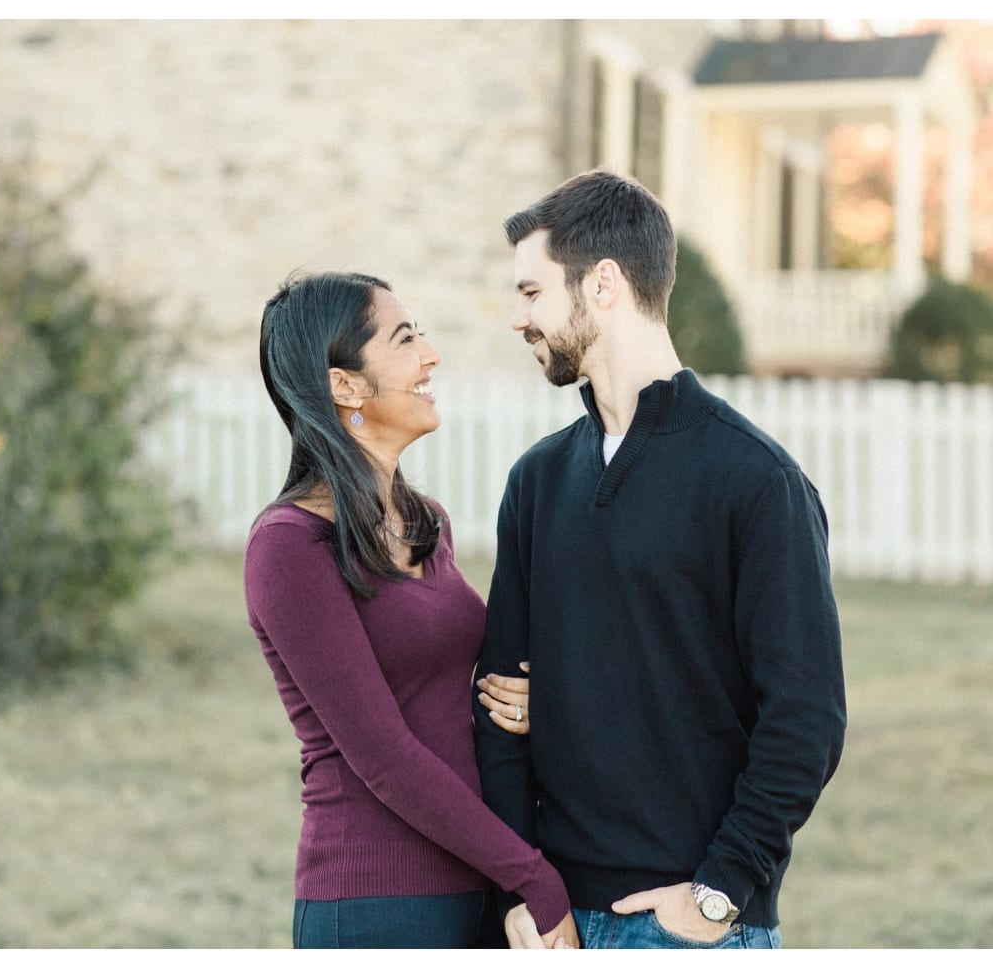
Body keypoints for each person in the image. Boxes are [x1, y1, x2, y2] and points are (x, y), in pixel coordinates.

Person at [473, 170, 847, 950]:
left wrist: (720, 892)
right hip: (554, 925)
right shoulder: (537, 480)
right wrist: (521, 889)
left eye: (533, 292)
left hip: (690, 927)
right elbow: (499, 703)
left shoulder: (754, 479)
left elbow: (806, 717)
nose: (518, 318)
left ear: (603, 284)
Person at [244, 271, 580, 949]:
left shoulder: (427, 522)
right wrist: (537, 879)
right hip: (377, 902)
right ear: (346, 386)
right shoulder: (289, 545)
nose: (431, 355)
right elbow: (384, 755)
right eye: (405, 340)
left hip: (479, 881)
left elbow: (455, 698)